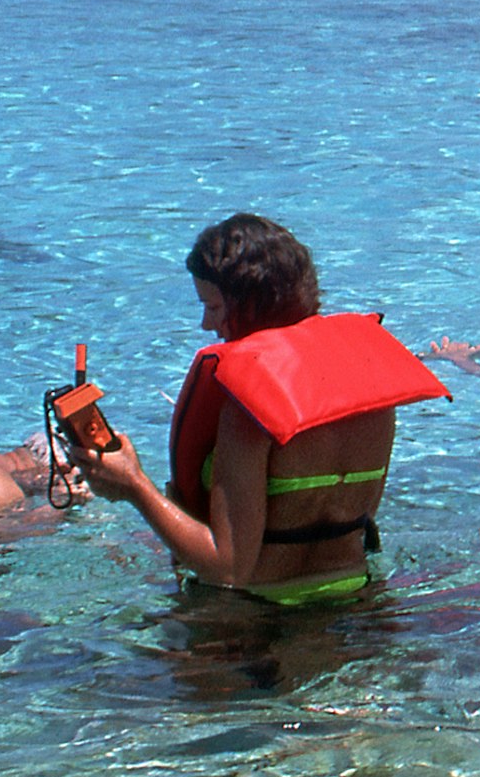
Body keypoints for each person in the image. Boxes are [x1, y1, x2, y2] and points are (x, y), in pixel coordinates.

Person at [69, 212, 447, 609]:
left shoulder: (252, 409)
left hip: (258, 622)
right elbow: (360, 518)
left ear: (249, 305)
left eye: (212, 307)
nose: (205, 324)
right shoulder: (371, 391)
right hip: (356, 602)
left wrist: (133, 486)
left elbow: (229, 568)